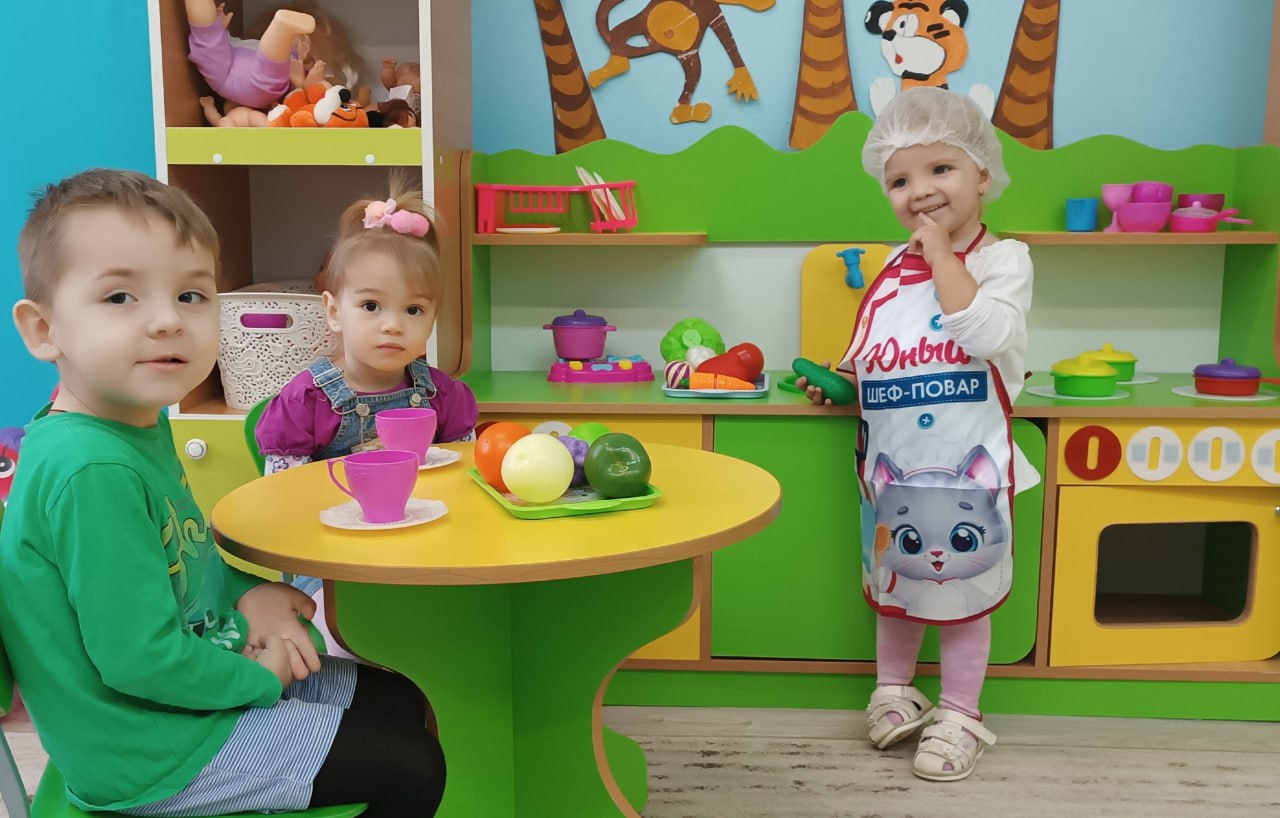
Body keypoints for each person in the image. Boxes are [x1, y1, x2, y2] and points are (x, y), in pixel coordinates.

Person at [2, 169, 445, 816]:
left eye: (191, 295)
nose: (167, 322)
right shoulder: (91, 469)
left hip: (190, 680)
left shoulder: (131, 427)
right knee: (409, 765)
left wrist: (248, 592)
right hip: (145, 748)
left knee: (401, 700)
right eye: (121, 297)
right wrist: (257, 679)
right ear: (44, 330)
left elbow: (181, 557)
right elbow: (139, 662)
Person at [799, 87, 1034, 782]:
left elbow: (984, 333)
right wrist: (841, 381)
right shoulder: (886, 274)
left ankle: (961, 713)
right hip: (893, 477)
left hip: (969, 478)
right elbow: (873, 355)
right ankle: (894, 690)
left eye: (941, 169)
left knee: (962, 595)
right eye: (900, 179)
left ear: (982, 175)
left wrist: (940, 257)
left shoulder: (1003, 261)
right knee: (897, 589)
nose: (920, 190)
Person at [255, 175, 478, 654]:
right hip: (330, 565)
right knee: (341, 640)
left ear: (433, 318)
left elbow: (465, 482)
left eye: (413, 310)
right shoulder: (307, 401)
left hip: (425, 552)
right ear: (335, 311)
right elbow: (283, 503)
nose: (393, 324)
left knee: (460, 627)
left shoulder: (442, 395)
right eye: (372, 305)